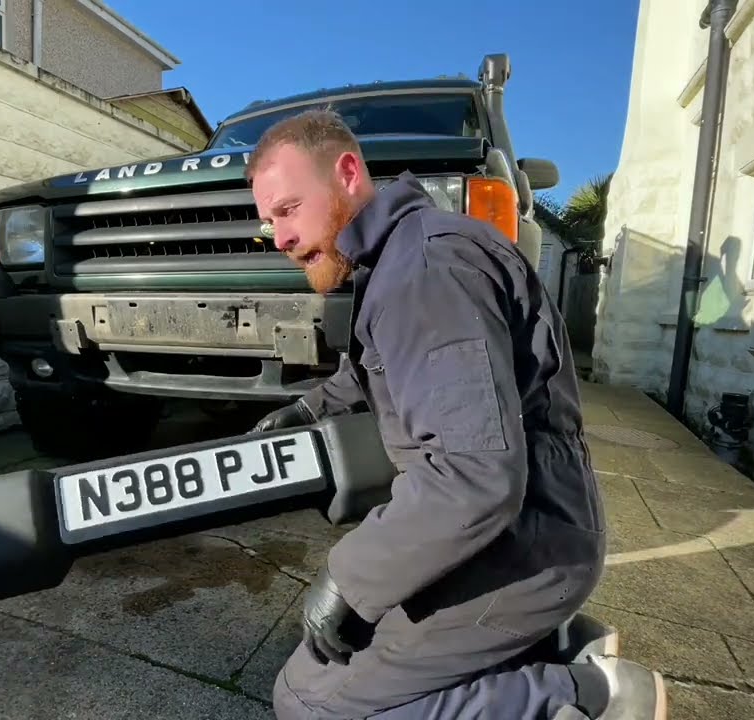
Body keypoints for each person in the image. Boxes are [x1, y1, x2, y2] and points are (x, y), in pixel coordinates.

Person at [244, 109, 669, 720]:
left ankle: (589, 698)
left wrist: (349, 577)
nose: (279, 237)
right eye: (271, 221)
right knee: (319, 665)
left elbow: (474, 476)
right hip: (500, 538)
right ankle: (550, 647)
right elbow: (377, 368)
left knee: (312, 703)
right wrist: (308, 408)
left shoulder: (426, 273)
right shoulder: (401, 260)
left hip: (524, 547)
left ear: (347, 173)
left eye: (288, 210)